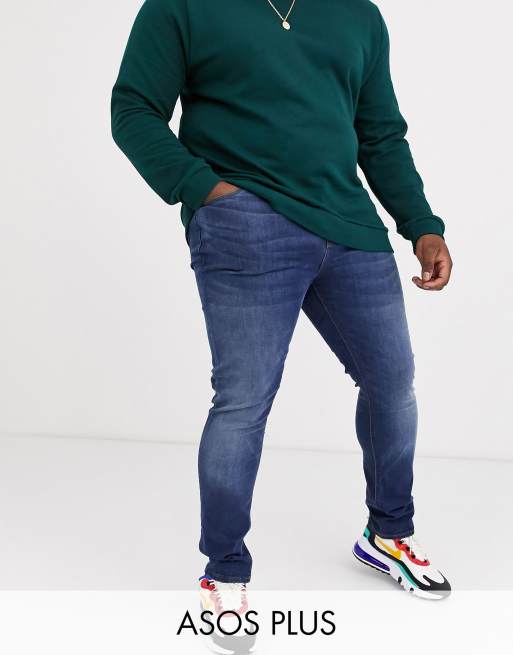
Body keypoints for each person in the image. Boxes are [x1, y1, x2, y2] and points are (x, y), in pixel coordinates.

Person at [111, 0, 453, 609]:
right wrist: (205, 191)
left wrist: (421, 223)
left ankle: (388, 533)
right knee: (244, 400)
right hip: (245, 223)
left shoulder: (359, 15)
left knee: (392, 383)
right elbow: (133, 110)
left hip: (350, 225)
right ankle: (224, 570)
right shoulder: (181, 6)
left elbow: (378, 133)